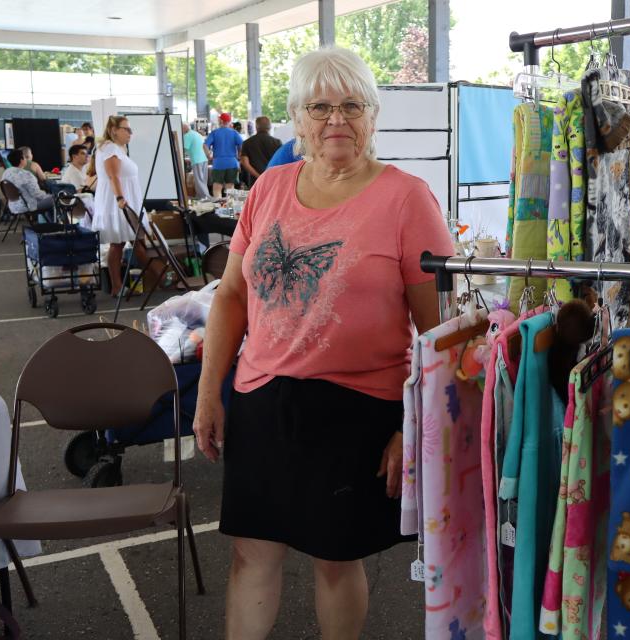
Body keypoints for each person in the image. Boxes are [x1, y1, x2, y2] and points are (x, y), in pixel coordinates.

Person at [193, 46, 453, 640]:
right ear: (297, 118)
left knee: (336, 560)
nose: (336, 119)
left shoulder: (407, 198)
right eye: (320, 106)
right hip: (261, 398)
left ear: (373, 115)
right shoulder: (270, 189)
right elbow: (231, 296)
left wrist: (413, 426)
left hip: (357, 408)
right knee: (251, 554)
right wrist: (212, 392)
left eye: (351, 105)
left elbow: (440, 331)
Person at [88, 115, 150, 295]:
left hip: (126, 201)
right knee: (119, 243)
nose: (130, 133)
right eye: (127, 129)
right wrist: (120, 198)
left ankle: (157, 278)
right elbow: (112, 175)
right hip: (119, 203)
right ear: (114, 130)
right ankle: (117, 285)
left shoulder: (117, 148)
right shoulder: (110, 148)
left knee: (132, 242)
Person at [3, 148, 55, 217]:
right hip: (28, 206)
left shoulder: (6, 172)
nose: (26, 159)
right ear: (21, 160)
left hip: (13, 206)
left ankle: (48, 223)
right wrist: (49, 195)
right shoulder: (27, 175)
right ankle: (53, 225)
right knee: (57, 200)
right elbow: (37, 195)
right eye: (25, 157)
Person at [205, 113, 242, 197]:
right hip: (232, 162)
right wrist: (239, 155)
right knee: (230, 187)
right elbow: (242, 145)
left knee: (217, 188)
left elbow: (205, 145)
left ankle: (219, 207)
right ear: (229, 122)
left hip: (218, 163)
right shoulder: (234, 133)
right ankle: (230, 208)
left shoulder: (214, 133)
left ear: (220, 121)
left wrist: (209, 155)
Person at [239, 116, 281, 186]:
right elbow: (281, 162)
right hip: (272, 178)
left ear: (256, 127)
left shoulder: (247, 142)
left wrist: (259, 176)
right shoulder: (277, 142)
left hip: (254, 180)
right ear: (270, 127)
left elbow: (244, 162)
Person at [182, 123, 211, 199]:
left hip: (197, 160)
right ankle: (200, 196)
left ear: (183, 129)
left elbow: (183, 149)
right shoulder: (196, 133)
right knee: (203, 180)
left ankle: (205, 197)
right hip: (204, 159)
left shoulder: (187, 135)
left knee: (199, 180)